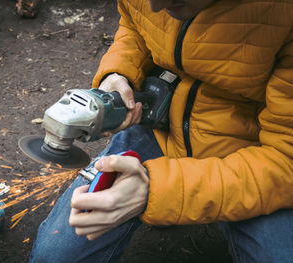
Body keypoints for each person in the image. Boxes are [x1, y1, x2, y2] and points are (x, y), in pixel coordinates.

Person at [30, 0, 293, 262]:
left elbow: (286, 161)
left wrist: (156, 191)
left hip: (252, 158)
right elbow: (135, 25)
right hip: (158, 130)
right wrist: (119, 71)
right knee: (53, 257)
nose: (155, 7)